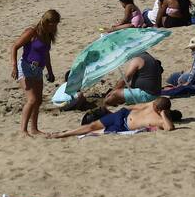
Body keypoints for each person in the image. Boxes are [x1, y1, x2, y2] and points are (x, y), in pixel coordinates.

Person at [11, 9, 59, 137]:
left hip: (38, 70)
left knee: (38, 101)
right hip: (26, 67)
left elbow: (46, 54)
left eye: (56, 24)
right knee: (32, 100)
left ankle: (34, 129)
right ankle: (23, 130)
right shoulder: (32, 32)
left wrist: (50, 71)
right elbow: (15, 47)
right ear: (46, 22)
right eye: (53, 24)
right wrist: (14, 67)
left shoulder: (48, 35)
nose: (55, 27)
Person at [47, 97, 175, 138]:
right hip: (122, 115)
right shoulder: (152, 105)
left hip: (123, 126)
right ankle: (62, 134)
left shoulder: (159, 120)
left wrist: (163, 114)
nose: (151, 106)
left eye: (155, 107)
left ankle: (67, 134)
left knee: (93, 131)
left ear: (160, 110)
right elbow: (136, 106)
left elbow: (169, 128)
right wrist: (124, 110)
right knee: (91, 126)